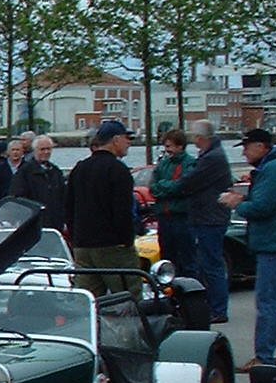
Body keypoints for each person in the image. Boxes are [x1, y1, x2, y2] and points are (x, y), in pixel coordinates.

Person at [221, 128, 276, 371]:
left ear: (262, 147)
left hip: (274, 243)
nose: (244, 152)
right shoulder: (272, 169)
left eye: (247, 147)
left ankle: (263, 356)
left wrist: (239, 203)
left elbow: (263, 207)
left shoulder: (273, 170)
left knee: (267, 301)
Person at [151, 119, 232, 323]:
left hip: (206, 217)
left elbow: (187, 183)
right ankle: (190, 303)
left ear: (201, 138)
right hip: (192, 216)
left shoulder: (209, 159)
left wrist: (166, 188)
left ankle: (215, 308)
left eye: (196, 137)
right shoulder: (207, 157)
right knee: (191, 261)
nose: (195, 141)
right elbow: (156, 185)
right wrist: (168, 188)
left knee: (207, 264)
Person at [65, 119, 140, 297]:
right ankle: (130, 326)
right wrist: (127, 240)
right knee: (128, 298)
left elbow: (68, 207)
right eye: (126, 138)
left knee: (86, 299)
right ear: (115, 140)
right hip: (112, 246)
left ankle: (88, 325)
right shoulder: (118, 170)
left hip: (83, 245)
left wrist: (76, 238)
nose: (129, 143)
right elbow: (122, 210)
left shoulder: (79, 169)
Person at [149, 128, 195, 279]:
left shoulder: (190, 163)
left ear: (180, 146)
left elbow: (183, 186)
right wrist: (169, 187)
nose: (166, 150)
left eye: (169, 146)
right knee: (167, 259)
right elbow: (153, 187)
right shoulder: (163, 164)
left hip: (182, 218)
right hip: (164, 218)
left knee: (187, 259)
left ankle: (190, 292)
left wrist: (165, 187)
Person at [9, 135, 67, 230]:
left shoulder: (55, 171)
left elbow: (63, 196)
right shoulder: (24, 172)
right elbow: (17, 197)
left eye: (48, 149)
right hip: (33, 223)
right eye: (42, 149)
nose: (46, 152)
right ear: (35, 150)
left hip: (55, 223)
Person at [0, 138, 25, 207]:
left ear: (22, 152)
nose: (15, 152)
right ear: (8, 152)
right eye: (13, 150)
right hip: (4, 205)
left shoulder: (28, 168)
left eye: (18, 150)